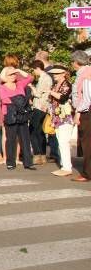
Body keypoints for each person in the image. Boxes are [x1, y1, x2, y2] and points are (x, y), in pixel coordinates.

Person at [0, 67, 35, 171]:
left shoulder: (20, 84)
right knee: (11, 140)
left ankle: (28, 163)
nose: (13, 76)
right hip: (10, 114)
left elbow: (31, 78)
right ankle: (10, 162)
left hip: (22, 114)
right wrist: (19, 100)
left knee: (25, 139)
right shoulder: (2, 87)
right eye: (10, 74)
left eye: (14, 74)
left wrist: (19, 70)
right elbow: (4, 99)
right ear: (5, 76)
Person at [47, 66, 73, 177]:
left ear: (63, 73)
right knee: (60, 141)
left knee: (63, 141)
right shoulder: (55, 85)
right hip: (56, 116)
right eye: (54, 74)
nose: (54, 76)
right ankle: (64, 164)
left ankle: (67, 167)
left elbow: (63, 98)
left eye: (57, 74)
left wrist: (50, 92)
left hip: (64, 116)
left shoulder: (67, 84)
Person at [70, 50, 91, 181]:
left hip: (86, 112)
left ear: (76, 62)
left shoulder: (86, 75)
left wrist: (77, 113)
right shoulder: (85, 72)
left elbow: (86, 98)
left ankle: (87, 173)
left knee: (87, 144)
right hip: (86, 110)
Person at [30, 60, 52, 165]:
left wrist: (31, 87)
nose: (34, 72)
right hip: (43, 107)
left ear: (37, 68)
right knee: (40, 131)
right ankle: (42, 155)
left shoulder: (44, 78)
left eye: (34, 70)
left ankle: (37, 154)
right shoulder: (46, 78)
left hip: (39, 106)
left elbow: (38, 94)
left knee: (33, 130)